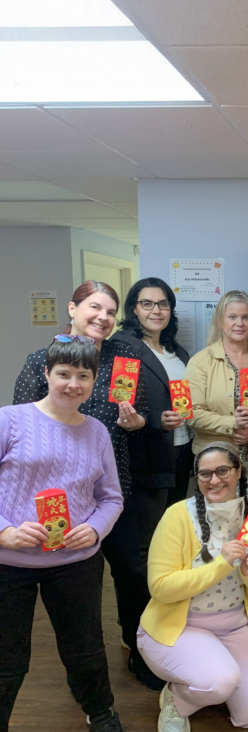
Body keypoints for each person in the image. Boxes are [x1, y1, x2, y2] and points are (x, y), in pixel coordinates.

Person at [13, 281, 161, 691]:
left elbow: (143, 411)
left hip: (112, 487)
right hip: (55, 500)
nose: (103, 317)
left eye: (111, 312)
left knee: (132, 571)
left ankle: (136, 648)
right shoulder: (41, 361)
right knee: (77, 585)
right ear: (73, 309)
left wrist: (138, 421)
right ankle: (82, 666)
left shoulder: (124, 355)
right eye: (95, 308)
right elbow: (25, 425)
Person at [0, 336, 126, 732]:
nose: (73, 383)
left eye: (83, 376)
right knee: (7, 662)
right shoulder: (10, 421)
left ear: (95, 380)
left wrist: (93, 529)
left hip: (74, 563)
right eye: (64, 374)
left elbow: (111, 498)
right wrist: (4, 532)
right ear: (47, 375)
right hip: (8, 566)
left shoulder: (97, 432)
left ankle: (102, 712)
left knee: (85, 649)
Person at [136, 442, 248, 732]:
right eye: (205, 474)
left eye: (222, 470)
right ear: (196, 478)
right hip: (180, 625)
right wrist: (222, 564)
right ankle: (179, 700)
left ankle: (208, 678)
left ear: (239, 471)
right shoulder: (177, 516)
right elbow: (159, 586)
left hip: (234, 626)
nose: (214, 480)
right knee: (220, 680)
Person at [117, 277, 192, 569]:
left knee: (172, 535)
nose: (156, 310)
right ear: (134, 309)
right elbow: (119, 407)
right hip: (147, 456)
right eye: (147, 303)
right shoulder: (123, 348)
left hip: (181, 451)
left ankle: (168, 600)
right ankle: (140, 613)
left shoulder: (177, 351)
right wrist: (153, 421)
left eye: (163, 304)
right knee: (145, 542)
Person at [186, 291, 248, 506]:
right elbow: (190, 413)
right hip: (215, 464)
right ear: (220, 321)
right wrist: (230, 424)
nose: (239, 323)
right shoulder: (200, 362)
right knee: (218, 524)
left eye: (245, 317)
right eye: (232, 317)